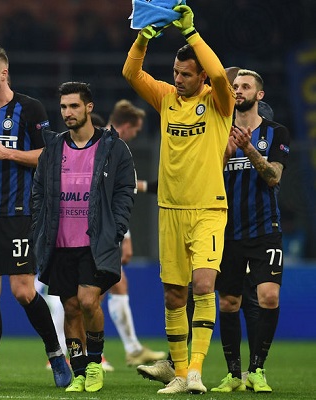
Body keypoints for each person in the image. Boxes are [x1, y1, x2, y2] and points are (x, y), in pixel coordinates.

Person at [122, 5, 235, 394]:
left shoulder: (219, 102)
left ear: (201, 77)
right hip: (170, 210)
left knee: (203, 285)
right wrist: (144, 36)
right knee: (174, 294)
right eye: (175, 72)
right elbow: (131, 73)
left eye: (186, 74)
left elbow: (219, 73)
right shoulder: (166, 98)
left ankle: (196, 370)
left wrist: (191, 33)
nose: (178, 79)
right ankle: (181, 374)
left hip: (208, 209)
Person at [0, 46, 71, 388]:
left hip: (18, 212)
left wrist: (9, 154)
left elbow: (48, 155)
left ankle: (57, 355)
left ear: (3, 73)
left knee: (23, 290)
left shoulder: (29, 108)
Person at [32, 82, 136, 392]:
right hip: (60, 242)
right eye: (64, 107)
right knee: (71, 307)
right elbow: (39, 190)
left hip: (94, 242)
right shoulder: (53, 148)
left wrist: (116, 229)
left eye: (74, 106)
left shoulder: (113, 147)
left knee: (89, 301)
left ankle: (94, 364)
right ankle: (78, 372)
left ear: (89, 107)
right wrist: (39, 227)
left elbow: (124, 191)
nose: (68, 112)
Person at [211, 69, 290, 393]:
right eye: (235, 87)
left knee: (268, 297)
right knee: (229, 302)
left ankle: (257, 370)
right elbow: (203, 175)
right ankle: (233, 374)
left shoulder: (276, 132)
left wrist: (249, 149)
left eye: (245, 86)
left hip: (265, 229)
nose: (238, 90)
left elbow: (274, 177)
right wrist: (226, 154)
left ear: (259, 95)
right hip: (227, 230)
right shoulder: (217, 131)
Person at [104, 100, 167, 367]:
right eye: (136, 130)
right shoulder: (109, 145)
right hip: (93, 229)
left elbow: (121, 190)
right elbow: (111, 197)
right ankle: (78, 352)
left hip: (101, 228)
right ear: (127, 126)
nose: (135, 135)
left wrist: (140, 185)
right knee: (90, 291)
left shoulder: (106, 143)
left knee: (115, 283)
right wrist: (126, 238)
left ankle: (132, 349)